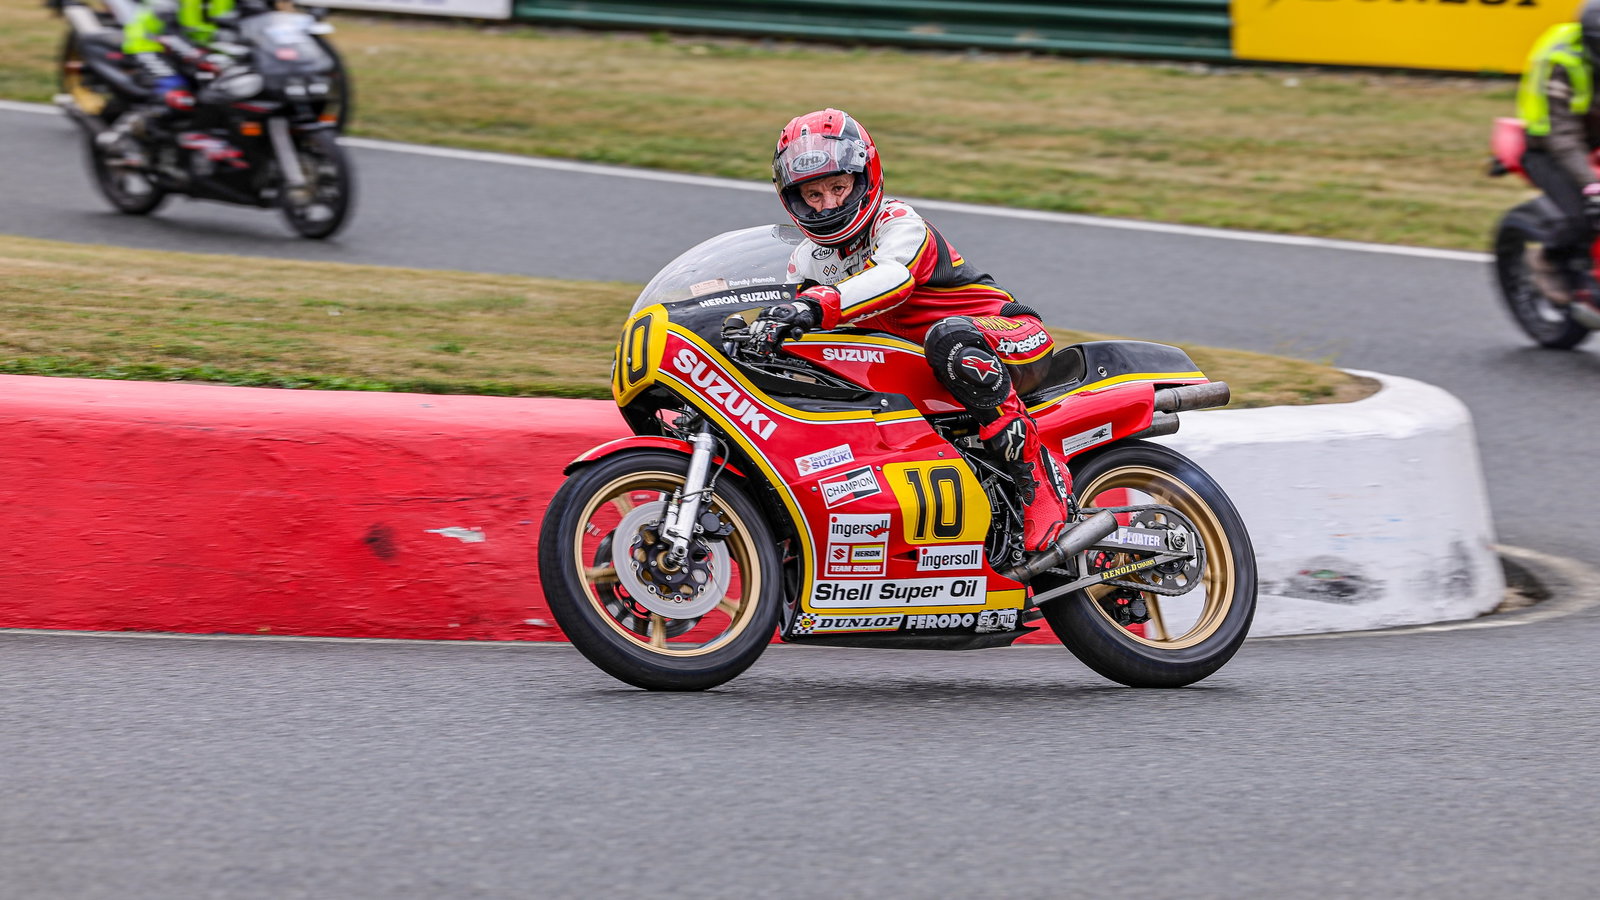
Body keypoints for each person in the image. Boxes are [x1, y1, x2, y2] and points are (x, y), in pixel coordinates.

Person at [752, 108, 1072, 553]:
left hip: (1008, 338)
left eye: (838, 188)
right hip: (923, 367)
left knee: (951, 340)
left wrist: (812, 305)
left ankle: (1039, 478)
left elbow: (891, 279)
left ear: (864, 179)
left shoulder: (900, 222)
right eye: (813, 194)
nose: (828, 205)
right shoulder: (806, 260)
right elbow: (808, 335)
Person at [1517, 0, 1600, 315]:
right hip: (1548, 147)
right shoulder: (1563, 64)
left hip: (1593, 137)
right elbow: (1562, 136)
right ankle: (1547, 258)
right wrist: (1591, 185)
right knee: (1584, 214)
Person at [100, 0, 236, 161]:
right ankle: (123, 136)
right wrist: (197, 56)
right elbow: (167, 32)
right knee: (175, 94)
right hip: (150, 46)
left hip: (203, 50)